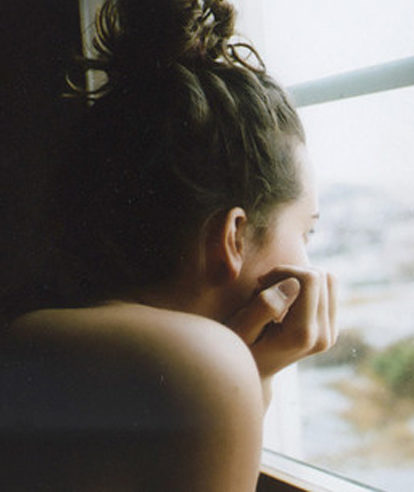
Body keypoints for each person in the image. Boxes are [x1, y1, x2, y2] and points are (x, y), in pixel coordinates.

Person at [1, 0, 337, 490]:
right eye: (306, 232)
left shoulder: (40, 331)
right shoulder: (196, 365)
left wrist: (255, 377)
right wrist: (236, 377)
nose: (308, 260)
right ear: (233, 236)